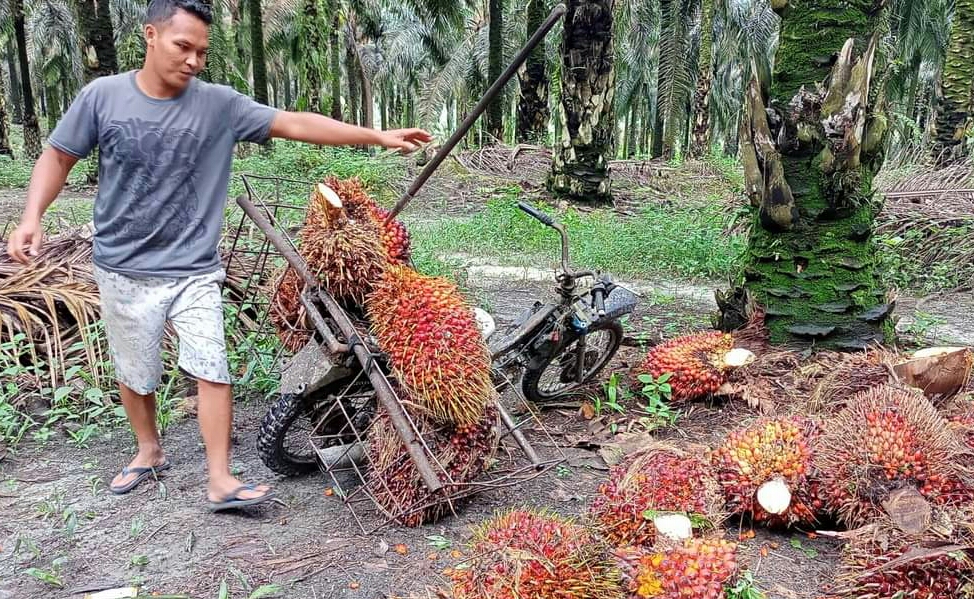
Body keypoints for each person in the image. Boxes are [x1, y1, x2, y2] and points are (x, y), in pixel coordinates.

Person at [6, 0, 432, 512]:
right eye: (182, 46)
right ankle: (148, 450)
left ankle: (220, 479)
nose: (192, 60)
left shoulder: (219, 105)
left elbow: (292, 123)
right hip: (122, 266)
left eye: (201, 52)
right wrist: (32, 216)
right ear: (150, 35)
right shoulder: (103, 97)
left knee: (212, 366)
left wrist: (376, 136)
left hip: (194, 269)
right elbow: (57, 156)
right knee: (134, 371)